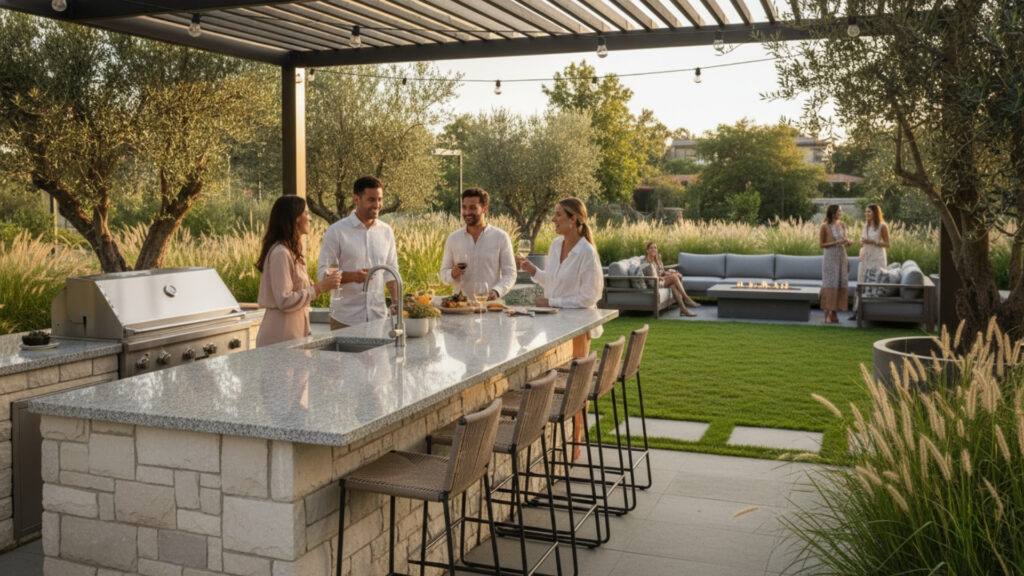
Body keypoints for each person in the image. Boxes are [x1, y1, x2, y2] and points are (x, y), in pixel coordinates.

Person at [255, 195, 340, 347]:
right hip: (281, 336)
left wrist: (317, 285)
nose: (310, 218)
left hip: (294, 335)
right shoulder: (281, 253)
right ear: (294, 218)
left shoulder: (292, 252)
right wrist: (319, 288)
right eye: (306, 213)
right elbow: (284, 300)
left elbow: (294, 290)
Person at [317, 176, 400, 330]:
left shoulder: (386, 231)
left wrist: (395, 302)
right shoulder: (336, 231)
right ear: (356, 199)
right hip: (345, 319)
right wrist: (352, 276)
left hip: (378, 319)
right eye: (371, 200)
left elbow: (391, 272)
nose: (377, 205)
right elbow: (322, 274)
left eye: (380, 199)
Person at [440, 187, 516, 300]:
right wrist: (452, 273)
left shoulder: (501, 237)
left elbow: (510, 274)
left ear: (484, 209)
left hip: (489, 307)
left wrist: (497, 291)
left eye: (473, 208)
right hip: (460, 307)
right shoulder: (453, 238)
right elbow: (443, 274)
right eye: (464, 207)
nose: (467, 212)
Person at [850, 203, 890, 320]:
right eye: (866, 211)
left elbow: (887, 244)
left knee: (874, 283)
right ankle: (856, 311)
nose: (866, 214)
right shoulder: (866, 225)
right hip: (865, 257)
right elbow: (863, 242)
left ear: (875, 213)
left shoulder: (882, 226)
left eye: (869, 212)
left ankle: (874, 313)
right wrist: (862, 245)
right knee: (860, 282)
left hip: (877, 257)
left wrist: (873, 242)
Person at [644, 241, 701, 317]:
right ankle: (686, 299)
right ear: (647, 250)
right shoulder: (647, 262)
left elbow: (662, 272)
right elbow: (654, 277)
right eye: (651, 248)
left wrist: (670, 272)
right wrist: (669, 276)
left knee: (674, 285)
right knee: (674, 278)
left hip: (662, 280)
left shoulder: (657, 259)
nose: (653, 249)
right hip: (656, 283)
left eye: (655, 248)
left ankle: (683, 310)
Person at [819, 204, 853, 324]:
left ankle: (835, 312)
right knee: (830, 283)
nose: (841, 213)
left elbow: (843, 240)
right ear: (833, 212)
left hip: (842, 257)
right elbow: (821, 245)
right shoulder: (824, 226)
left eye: (841, 211)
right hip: (830, 257)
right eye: (839, 211)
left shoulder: (842, 224)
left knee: (840, 283)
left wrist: (847, 242)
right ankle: (827, 313)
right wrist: (836, 243)